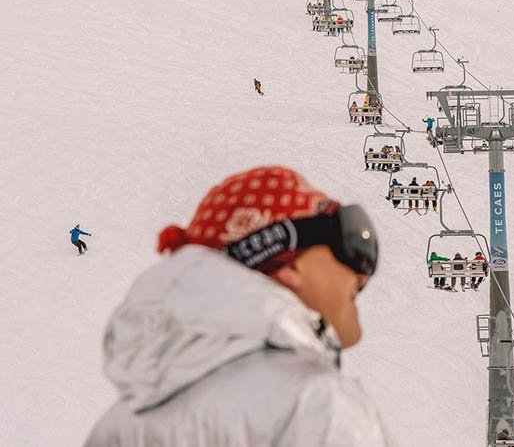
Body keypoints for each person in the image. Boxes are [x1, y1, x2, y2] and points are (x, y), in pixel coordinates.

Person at [84, 166, 392, 447]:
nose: (363, 271)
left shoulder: (118, 426)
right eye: (349, 242)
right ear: (291, 265)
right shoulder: (315, 407)